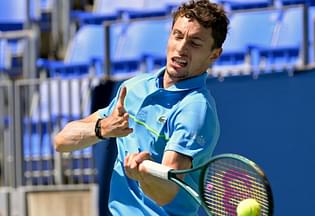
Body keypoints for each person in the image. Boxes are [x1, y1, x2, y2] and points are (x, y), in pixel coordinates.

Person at [54, 0, 229, 215]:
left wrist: (143, 175)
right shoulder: (133, 88)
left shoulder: (195, 110)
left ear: (214, 54)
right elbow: (61, 141)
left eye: (195, 43)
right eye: (178, 35)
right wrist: (102, 128)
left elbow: (167, 192)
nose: (182, 47)